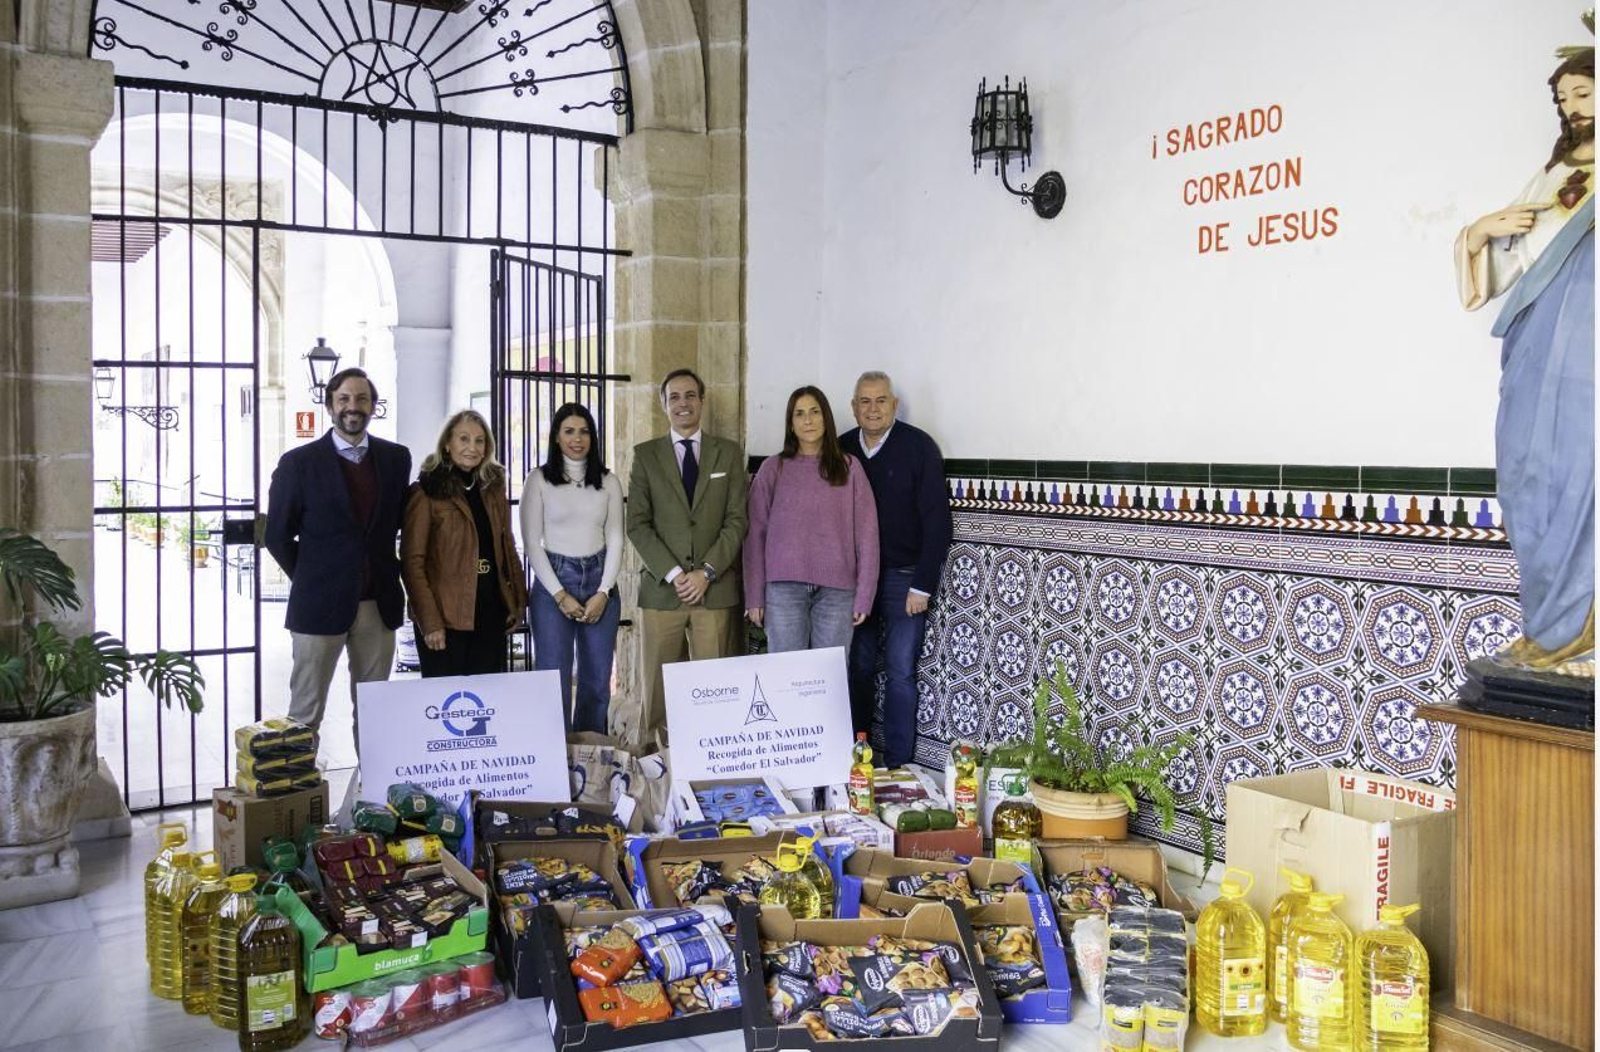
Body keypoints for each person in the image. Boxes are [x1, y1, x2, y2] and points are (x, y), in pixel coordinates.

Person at [1455, 44, 1595, 672]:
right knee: (1525, 473)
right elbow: (1511, 261)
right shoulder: (1550, 178)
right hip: (1535, 343)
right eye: (1564, 101)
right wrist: (1479, 231)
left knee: (1578, 471)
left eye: (1584, 95)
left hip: (1588, 350)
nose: (1573, 111)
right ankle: (1548, 620)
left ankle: (1577, 625)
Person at [265, 367, 411, 743]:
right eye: (344, 398)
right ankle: (297, 798)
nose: (353, 406)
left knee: (376, 712)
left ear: (373, 406)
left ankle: (376, 795)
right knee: (305, 713)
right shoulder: (298, 464)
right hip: (318, 606)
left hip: (377, 606)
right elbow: (277, 536)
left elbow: (399, 524)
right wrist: (315, 579)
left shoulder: (396, 459)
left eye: (362, 399)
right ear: (330, 405)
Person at [626, 368, 750, 748]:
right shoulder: (645, 456)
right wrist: (677, 572)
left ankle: (710, 758)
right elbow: (638, 524)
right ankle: (655, 766)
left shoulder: (727, 453)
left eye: (690, 395)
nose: (683, 403)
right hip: (664, 591)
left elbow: (737, 520)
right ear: (663, 404)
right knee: (658, 688)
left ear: (702, 400)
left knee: (712, 689)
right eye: (674, 397)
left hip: (713, 592)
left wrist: (706, 572)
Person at [840, 371, 952, 767]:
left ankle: (899, 765)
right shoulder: (842, 451)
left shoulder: (918, 447)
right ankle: (858, 756)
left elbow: (938, 522)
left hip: (904, 579)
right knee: (859, 669)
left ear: (894, 405)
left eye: (881, 401)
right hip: (855, 582)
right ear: (853, 407)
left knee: (901, 672)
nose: (873, 409)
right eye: (864, 402)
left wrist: (922, 586)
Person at [744, 387, 879, 652]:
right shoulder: (773, 469)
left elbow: (868, 535)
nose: (808, 420)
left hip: (837, 593)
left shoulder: (849, 467)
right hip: (783, 591)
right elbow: (754, 536)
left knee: (830, 677)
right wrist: (754, 596)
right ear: (791, 424)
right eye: (800, 414)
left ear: (826, 419)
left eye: (815, 412)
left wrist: (864, 595)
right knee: (786, 676)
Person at [520, 403, 624, 733]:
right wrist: (559, 594)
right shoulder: (538, 480)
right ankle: (554, 756)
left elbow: (617, 538)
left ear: (592, 437)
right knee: (554, 678)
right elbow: (532, 543)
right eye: (569, 431)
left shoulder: (608, 482)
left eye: (584, 431)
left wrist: (604, 593)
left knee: (596, 680)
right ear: (556, 437)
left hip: (599, 580)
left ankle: (589, 764)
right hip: (554, 581)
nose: (577, 439)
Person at [400, 410, 526, 679]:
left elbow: (507, 546)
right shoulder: (426, 491)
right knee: (448, 707)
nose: (472, 448)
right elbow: (412, 563)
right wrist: (430, 622)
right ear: (447, 443)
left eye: (480, 441)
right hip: (446, 618)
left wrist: (517, 602)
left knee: (487, 703)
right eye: (464, 439)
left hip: (491, 612)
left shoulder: (492, 488)